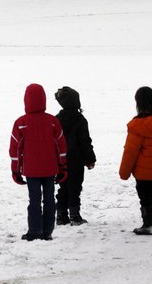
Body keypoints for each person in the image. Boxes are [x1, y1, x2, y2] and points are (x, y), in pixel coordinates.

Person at [10, 83, 68, 241]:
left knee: (34, 200)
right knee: (49, 199)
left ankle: (35, 231)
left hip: (31, 170)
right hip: (50, 169)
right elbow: (61, 146)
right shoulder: (52, 121)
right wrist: (63, 166)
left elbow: (15, 150)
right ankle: (47, 231)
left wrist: (16, 170)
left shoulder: (21, 123)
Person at [118, 86, 152, 235]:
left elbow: (130, 152)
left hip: (142, 171)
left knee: (145, 196)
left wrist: (124, 173)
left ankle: (148, 224)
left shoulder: (138, 126)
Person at [54, 86, 96, 226]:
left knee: (63, 187)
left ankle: (61, 215)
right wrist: (90, 159)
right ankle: (74, 215)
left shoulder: (56, 120)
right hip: (76, 160)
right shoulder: (80, 120)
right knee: (75, 187)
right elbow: (85, 141)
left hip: (60, 160)